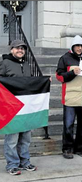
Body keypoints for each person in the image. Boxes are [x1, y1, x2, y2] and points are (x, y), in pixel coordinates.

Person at [56, 35, 82, 159]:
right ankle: (67, 148)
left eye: (81, 46)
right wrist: (72, 73)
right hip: (70, 97)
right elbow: (60, 77)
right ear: (73, 47)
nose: (79, 48)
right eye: (77, 46)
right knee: (68, 125)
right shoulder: (65, 58)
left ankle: (80, 147)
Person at [0, 39, 37, 175]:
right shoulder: (5, 63)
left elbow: (31, 82)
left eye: (22, 48)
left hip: (26, 107)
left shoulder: (27, 65)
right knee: (12, 138)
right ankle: (12, 164)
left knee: (26, 137)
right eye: (17, 48)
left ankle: (24, 162)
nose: (20, 50)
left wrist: (43, 81)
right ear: (11, 50)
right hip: (11, 107)